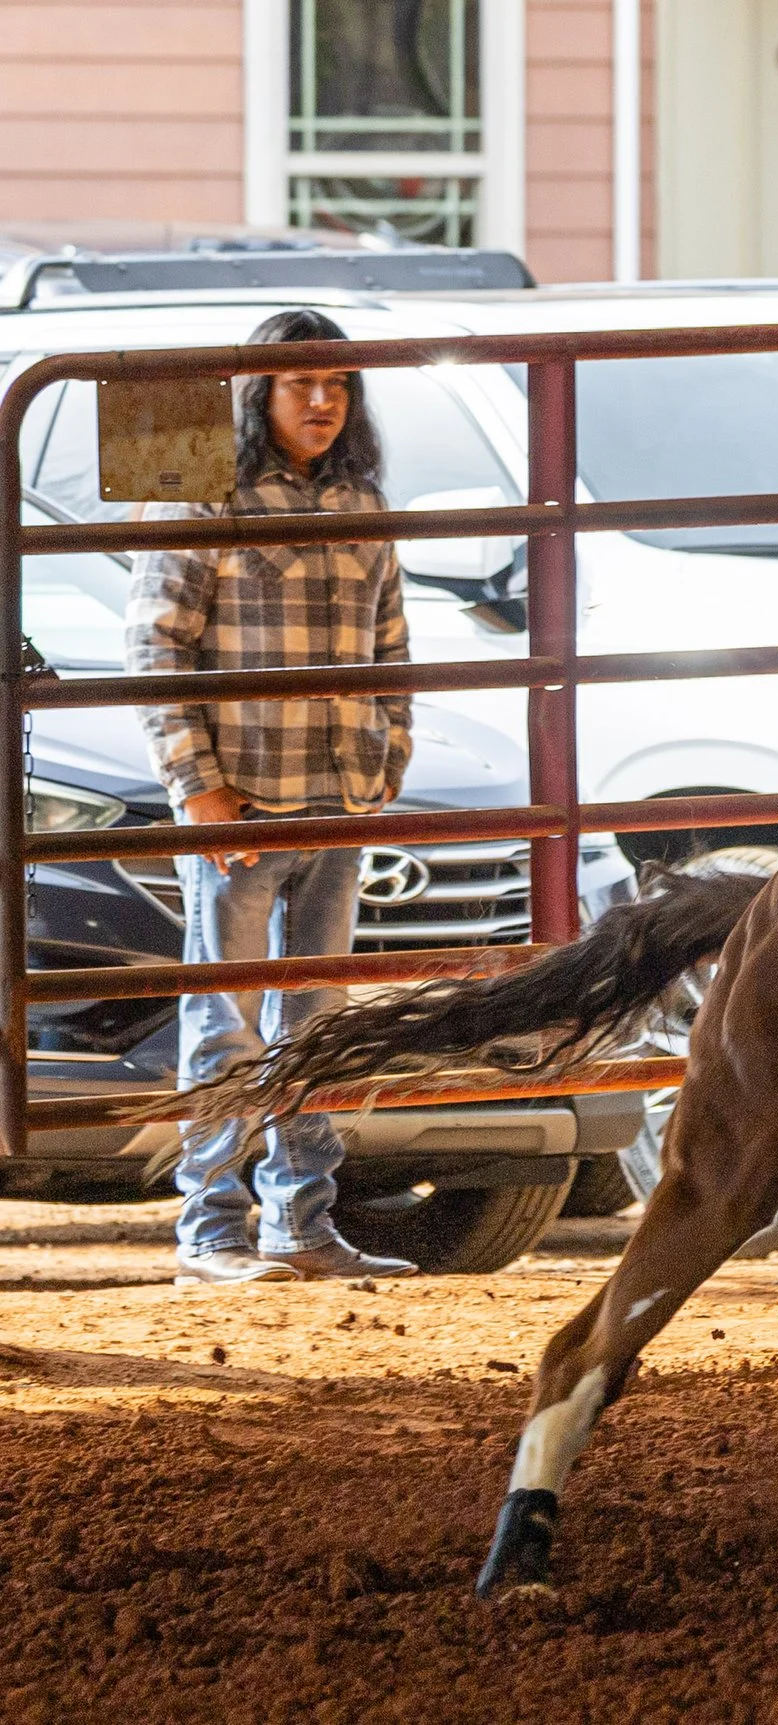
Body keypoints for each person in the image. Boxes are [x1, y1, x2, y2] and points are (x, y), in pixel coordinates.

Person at [127, 309, 422, 1285]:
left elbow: (392, 645)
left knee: (317, 1022)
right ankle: (211, 1232)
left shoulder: (360, 503)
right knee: (228, 1022)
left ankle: (302, 1223)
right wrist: (198, 790)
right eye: (302, 384)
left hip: (337, 805)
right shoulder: (200, 494)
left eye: (336, 385)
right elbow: (153, 647)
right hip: (243, 811)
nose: (323, 403)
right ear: (259, 391)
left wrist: (391, 756)